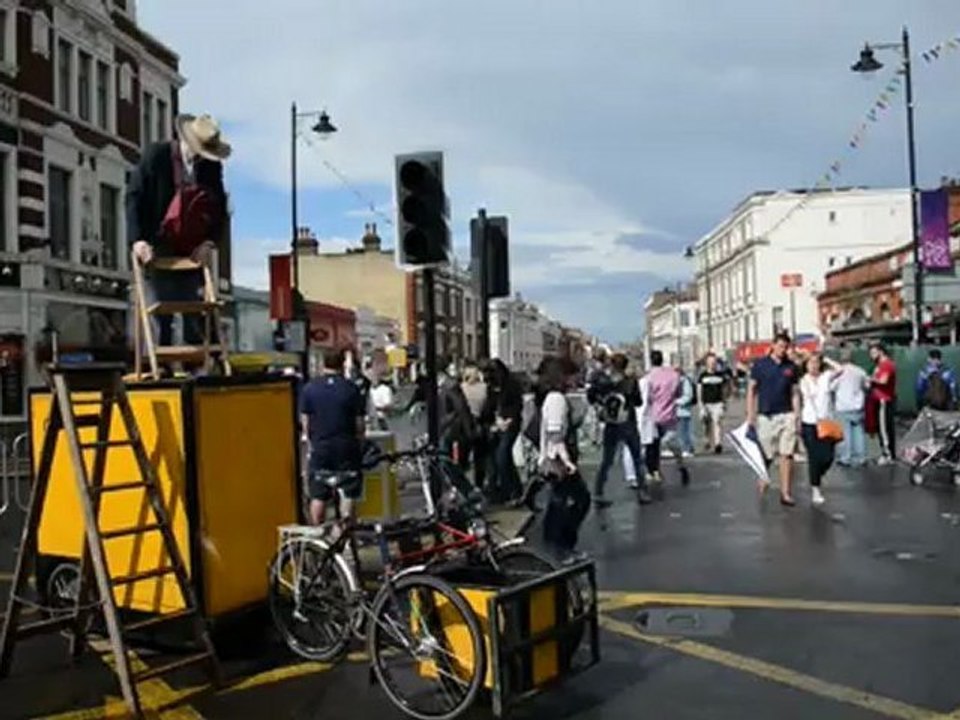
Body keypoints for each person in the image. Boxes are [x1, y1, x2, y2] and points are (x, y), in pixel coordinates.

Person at [127, 114, 229, 351]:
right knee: (161, 310)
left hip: (191, 247)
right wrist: (138, 240)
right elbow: (134, 197)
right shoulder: (156, 157)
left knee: (192, 310)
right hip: (157, 241)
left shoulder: (211, 167)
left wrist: (210, 242)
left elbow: (220, 208)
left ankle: (196, 363)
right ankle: (161, 364)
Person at [299, 348, 366, 526]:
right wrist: (360, 442)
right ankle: (346, 535)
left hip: (321, 447)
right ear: (342, 363)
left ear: (323, 364)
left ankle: (318, 534)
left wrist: (311, 441)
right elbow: (359, 424)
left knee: (318, 494)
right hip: (346, 446)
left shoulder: (309, 389)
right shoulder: (351, 389)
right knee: (349, 491)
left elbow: (305, 422)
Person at [537, 356, 591, 558]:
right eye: (572, 374)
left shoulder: (552, 397)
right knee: (580, 501)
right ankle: (562, 548)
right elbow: (555, 434)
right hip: (557, 460)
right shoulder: (557, 399)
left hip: (553, 458)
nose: (575, 379)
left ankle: (554, 548)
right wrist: (568, 462)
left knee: (557, 504)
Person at [746, 333, 801, 505]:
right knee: (767, 454)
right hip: (766, 415)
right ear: (773, 346)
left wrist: (797, 414)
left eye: (785, 347)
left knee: (787, 454)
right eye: (780, 346)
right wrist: (750, 415)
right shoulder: (761, 365)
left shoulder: (791, 367)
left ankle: (785, 493)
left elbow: (794, 392)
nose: (783, 350)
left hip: (787, 414)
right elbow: (752, 390)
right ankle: (763, 477)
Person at [591, 353, 652, 506]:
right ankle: (642, 491)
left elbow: (591, 396)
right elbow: (638, 402)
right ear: (625, 366)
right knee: (637, 458)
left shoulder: (604, 382)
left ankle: (598, 492)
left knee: (607, 460)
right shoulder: (630, 382)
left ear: (612, 365)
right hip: (628, 423)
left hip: (611, 424)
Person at [799, 353, 842, 506]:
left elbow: (840, 369)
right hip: (809, 422)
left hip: (826, 422)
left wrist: (827, 359)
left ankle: (819, 473)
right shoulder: (803, 380)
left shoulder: (825, 377)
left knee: (828, 457)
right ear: (805, 365)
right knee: (814, 457)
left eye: (816, 362)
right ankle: (815, 489)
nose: (813, 365)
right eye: (810, 363)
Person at [644, 351, 690, 486]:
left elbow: (648, 398)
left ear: (651, 361)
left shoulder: (649, 378)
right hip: (670, 414)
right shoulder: (673, 376)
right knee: (673, 443)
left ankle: (654, 471)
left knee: (653, 445)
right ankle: (681, 465)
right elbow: (678, 392)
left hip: (654, 415)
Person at [486, 359, 524, 503]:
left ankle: (510, 490)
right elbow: (490, 405)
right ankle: (512, 489)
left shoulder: (511, 384)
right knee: (501, 458)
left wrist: (509, 420)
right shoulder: (491, 386)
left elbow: (517, 405)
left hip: (510, 424)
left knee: (502, 456)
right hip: (497, 424)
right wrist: (494, 421)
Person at [832, 348, 869, 467]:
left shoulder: (839, 372)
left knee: (845, 434)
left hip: (843, 406)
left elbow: (832, 387)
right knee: (858, 432)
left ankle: (845, 457)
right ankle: (860, 457)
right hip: (858, 406)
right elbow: (867, 385)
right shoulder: (860, 371)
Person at [460, 363, 490, 489]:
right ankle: (479, 484)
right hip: (480, 424)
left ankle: (463, 484)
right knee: (480, 457)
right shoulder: (484, 388)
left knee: (464, 456)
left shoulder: (461, 388)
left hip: (464, 425)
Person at [868, 343, 897, 465]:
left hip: (884, 400)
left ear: (880, 352)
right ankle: (887, 453)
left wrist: (870, 379)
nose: (871, 356)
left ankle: (888, 455)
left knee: (884, 428)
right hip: (879, 399)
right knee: (882, 428)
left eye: (873, 353)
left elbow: (883, 381)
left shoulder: (886, 365)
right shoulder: (880, 365)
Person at [697, 352, 727, 454]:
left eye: (714, 362)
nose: (712, 364)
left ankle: (718, 443)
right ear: (706, 363)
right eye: (710, 362)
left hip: (717, 403)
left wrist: (724, 403)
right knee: (706, 424)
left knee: (717, 422)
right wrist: (701, 405)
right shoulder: (702, 376)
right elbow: (699, 391)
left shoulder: (720, 376)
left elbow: (724, 390)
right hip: (706, 404)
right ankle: (707, 440)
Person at [675, 365, 696, 458]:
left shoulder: (685, 381)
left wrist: (676, 402)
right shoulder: (676, 382)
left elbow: (688, 396)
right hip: (677, 411)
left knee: (684, 432)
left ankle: (687, 449)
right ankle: (686, 448)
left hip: (684, 411)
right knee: (681, 432)